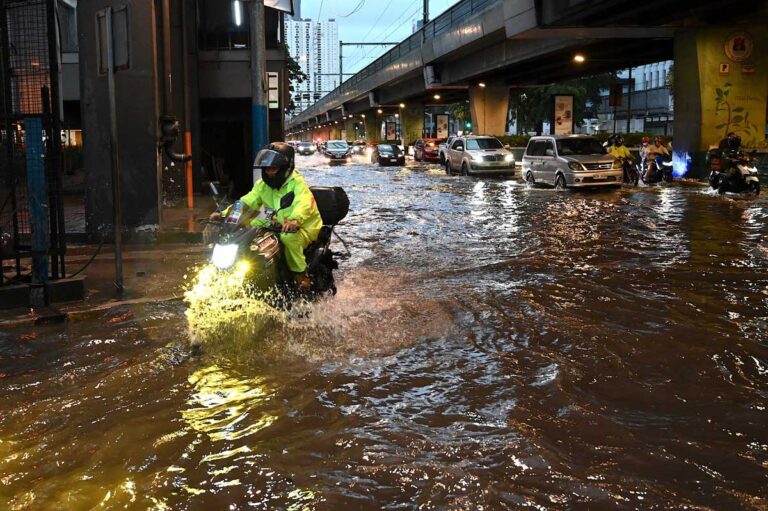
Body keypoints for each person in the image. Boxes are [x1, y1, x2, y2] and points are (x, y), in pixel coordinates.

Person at [210, 142, 322, 289]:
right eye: (267, 169)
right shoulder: (262, 185)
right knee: (249, 231)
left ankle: (300, 275)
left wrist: (295, 220)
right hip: (276, 224)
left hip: (302, 227)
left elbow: (304, 204)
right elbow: (247, 202)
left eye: (273, 169)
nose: (269, 172)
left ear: (285, 168)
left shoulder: (297, 184)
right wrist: (225, 214)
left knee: (288, 239)